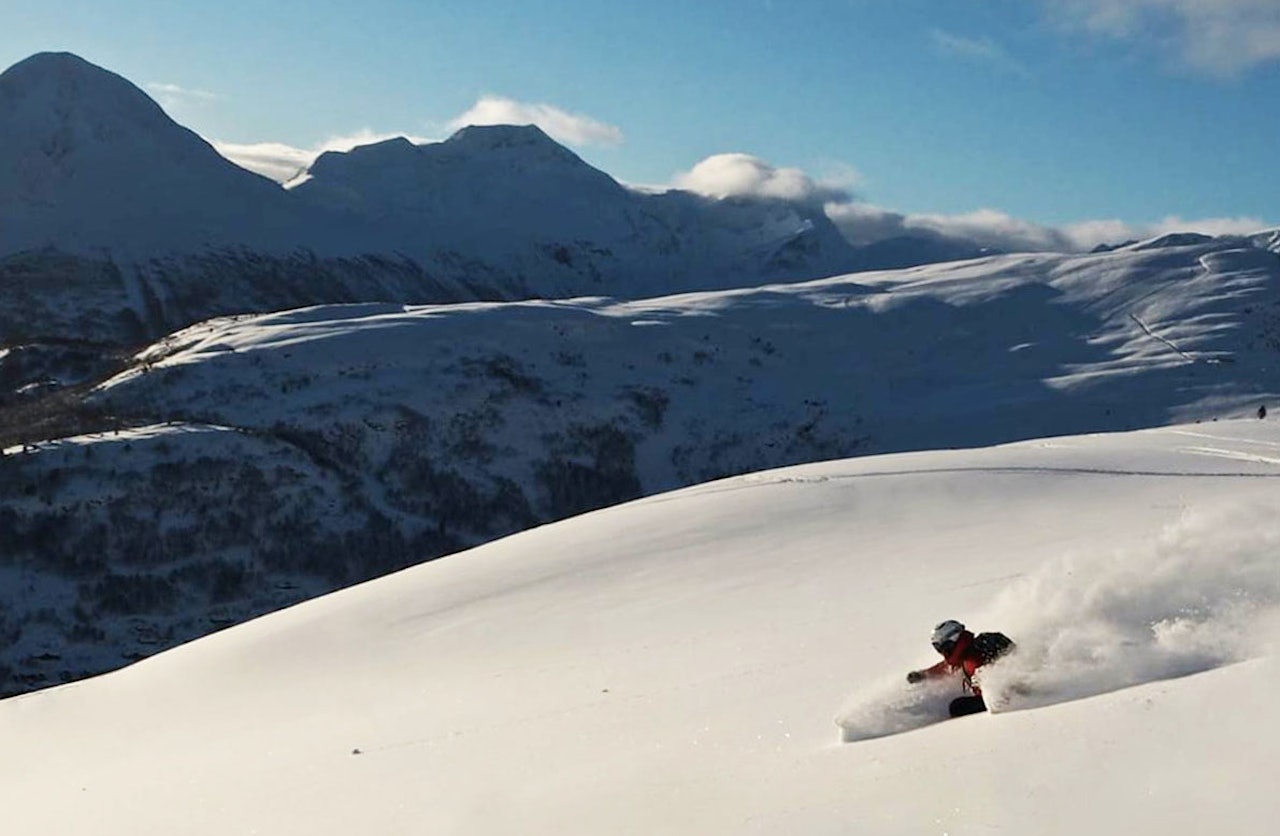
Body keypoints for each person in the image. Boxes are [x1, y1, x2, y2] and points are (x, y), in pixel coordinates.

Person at [906, 619, 1012, 717]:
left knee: (957, 706)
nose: (943, 652)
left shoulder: (973, 657)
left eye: (942, 647)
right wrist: (923, 675)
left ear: (951, 642)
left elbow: (998, 683)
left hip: (1005, 696)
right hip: (998, 695)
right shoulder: (966, 653)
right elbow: (945, 667)